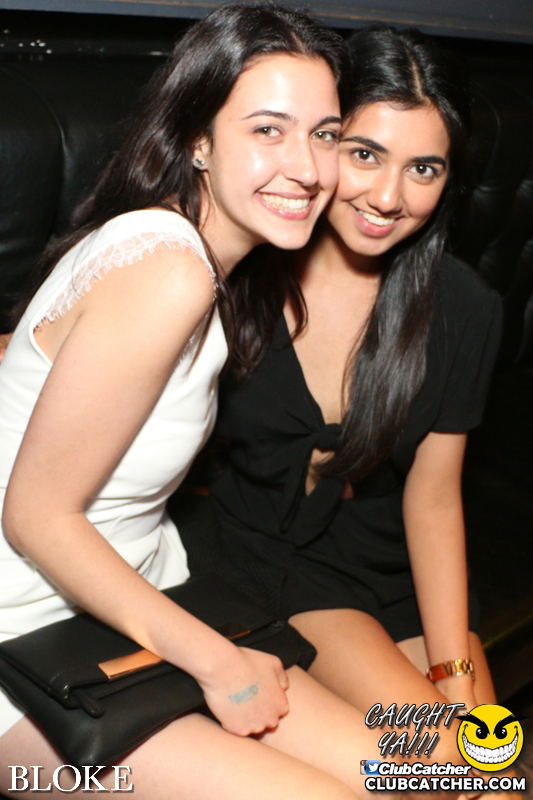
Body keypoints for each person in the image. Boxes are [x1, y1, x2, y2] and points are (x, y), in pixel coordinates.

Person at [0, 6, 394, 798]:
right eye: (267, 130)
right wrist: (217, 662)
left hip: (140, 593)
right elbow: (35, 517)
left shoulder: (200, 261)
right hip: (26, 628)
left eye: (323, 134)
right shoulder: (167, 268)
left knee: (420, 777)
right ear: (197, 140)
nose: (306, 167)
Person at [177, 25, 506, 770]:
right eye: (364, 154)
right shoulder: (240, 267)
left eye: (423, 168)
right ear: (322, 144)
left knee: (491, 773)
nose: (388, 197)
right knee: (438, 764)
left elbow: (433, 499)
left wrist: (456, 680)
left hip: (387, 563)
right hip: (261, 556)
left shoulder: (461, 307)